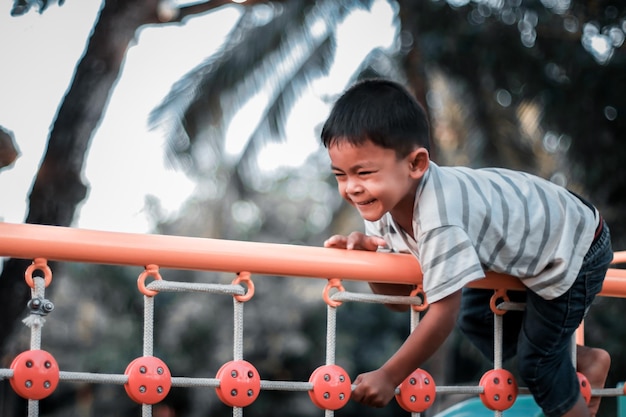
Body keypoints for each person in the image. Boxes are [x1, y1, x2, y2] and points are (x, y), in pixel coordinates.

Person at [321, 78, 613, 417]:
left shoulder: (438, 215)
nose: (352, 188)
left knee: (539, 367)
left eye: (365, 172)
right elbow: (400, 301)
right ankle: (585, 360)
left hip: (573, 245)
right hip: (514, 256)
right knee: (477, 318)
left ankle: (573, 381)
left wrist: (390, 376)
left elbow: (442, 312)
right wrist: (370, 259)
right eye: (340, 175)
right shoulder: (383, 203)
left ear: (416, 164)